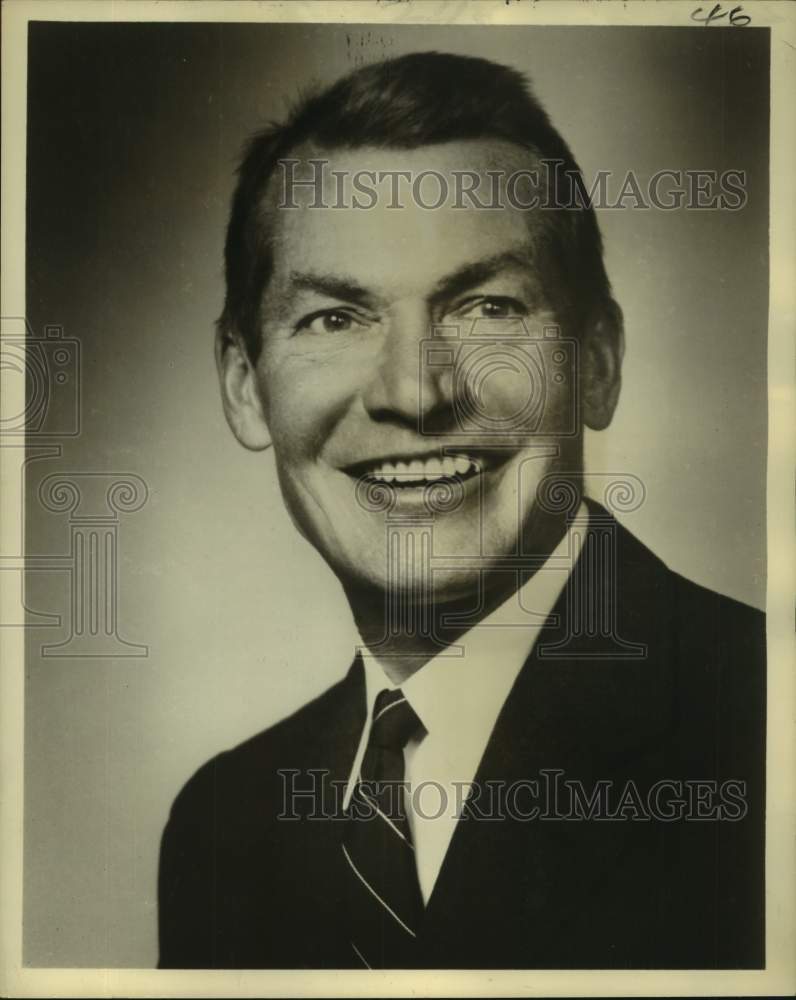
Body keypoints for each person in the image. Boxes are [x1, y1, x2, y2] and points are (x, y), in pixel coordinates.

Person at [157, 52, 765, 970]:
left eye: (486, 306)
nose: (415, 392)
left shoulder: (764, 728)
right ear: (245, 385)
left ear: (595, 362)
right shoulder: (223, 822)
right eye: (334, 318)